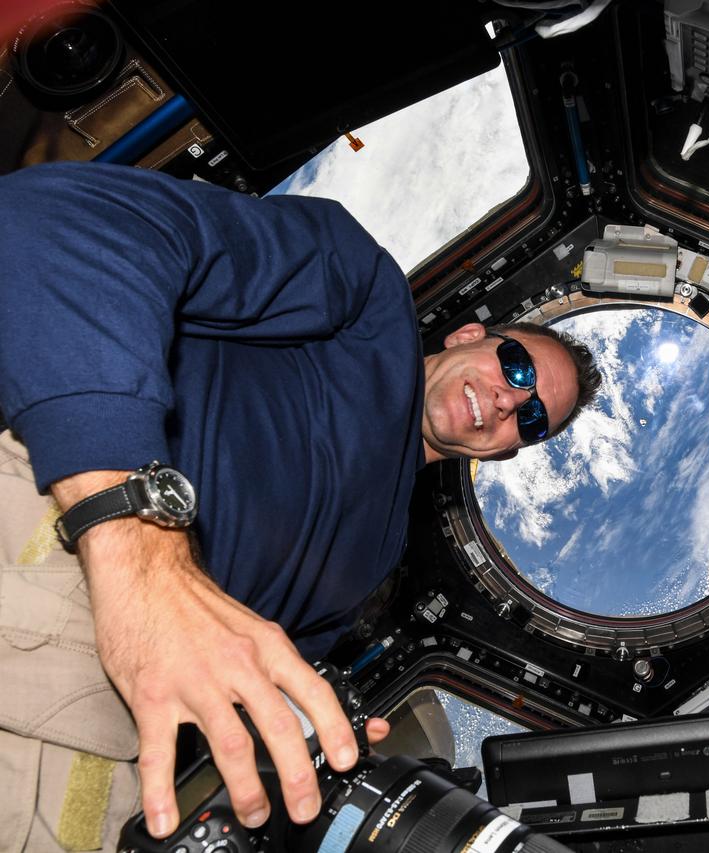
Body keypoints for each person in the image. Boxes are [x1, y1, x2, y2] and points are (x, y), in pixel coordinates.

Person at [0, 161, 600, 851]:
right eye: (517, 368)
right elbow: (58, 222)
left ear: (501, 454)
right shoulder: (364, 295)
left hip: (133, 724)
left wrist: (310, 731)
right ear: (471, 335)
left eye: (530, 422)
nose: (508, 401)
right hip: (63, 538)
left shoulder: (378, 555)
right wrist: (140, 548)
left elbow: (239, 663)